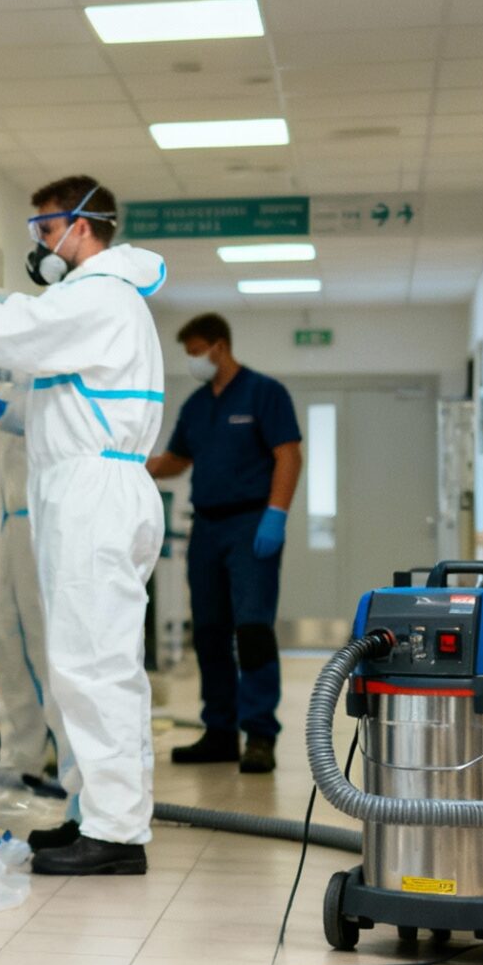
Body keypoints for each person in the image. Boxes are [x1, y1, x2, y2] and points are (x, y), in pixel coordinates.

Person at [0, 179, 166, 877]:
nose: (38, 243)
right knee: (85, 662)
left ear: (82, 226)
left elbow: (14, 336)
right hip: (96, 485)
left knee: (94, 664)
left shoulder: (99, 295)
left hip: (96, 494)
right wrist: (4, 411)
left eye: (44, 227)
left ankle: (118, 832)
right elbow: (61, 396)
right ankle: (98, 814)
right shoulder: (99, 302)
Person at [148, 315, 305, 774]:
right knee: (210, 632)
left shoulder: (264, 394)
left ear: (220, 346)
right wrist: (130, 463)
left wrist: (276, 515)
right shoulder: (197, 405)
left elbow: (288, 455)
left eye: (196, 350)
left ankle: (259, 734)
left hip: (252, 523)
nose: (193, 360)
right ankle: (219, 730)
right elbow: (178, 460)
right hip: (207, 528)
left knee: (252, 629)